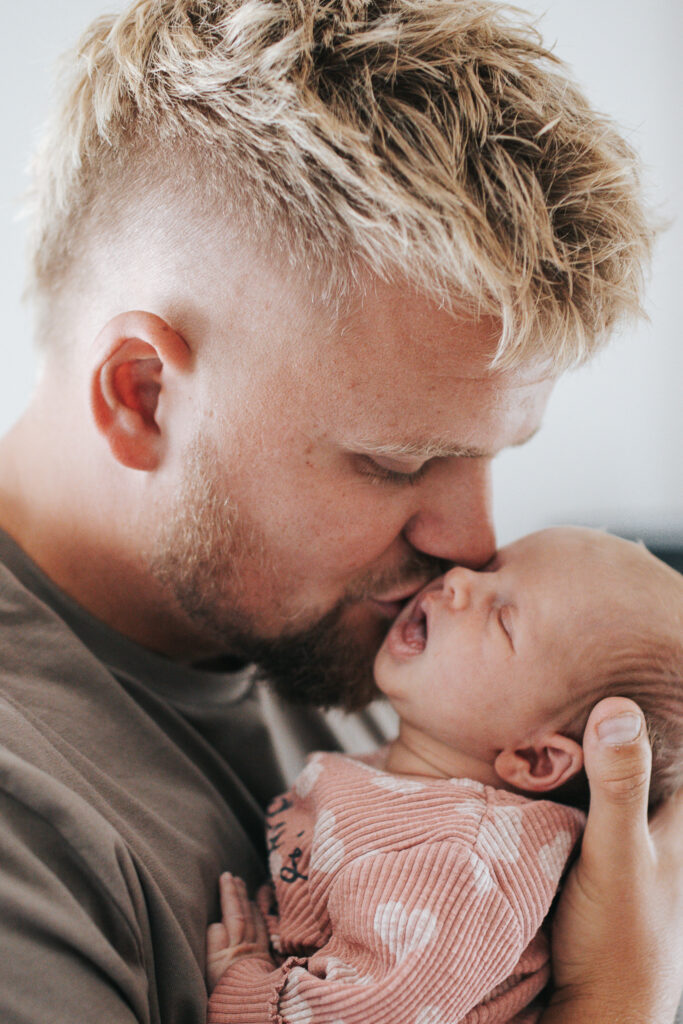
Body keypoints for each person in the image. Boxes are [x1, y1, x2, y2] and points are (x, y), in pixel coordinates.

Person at [0, 1, 680, 1021]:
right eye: (396, 462)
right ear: (143, 396)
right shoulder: (29, 835)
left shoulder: (409, 661)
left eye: (493, 456)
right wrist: (613, 1003)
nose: (471, 545)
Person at [205, 527, 683, 1022]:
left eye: (502, 619)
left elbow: (371, 1013)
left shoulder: (459, 865)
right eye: (489, 569)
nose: (457, 579)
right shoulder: (417, 781)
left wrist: (246, 981)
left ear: (536, 759)